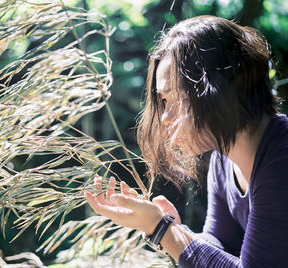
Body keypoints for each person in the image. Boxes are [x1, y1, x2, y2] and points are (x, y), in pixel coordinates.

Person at [85, 15, 288, 267]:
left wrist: (161, 230)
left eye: (173, 99)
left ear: (217, 90)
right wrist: (174, 229)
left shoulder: (281, 161)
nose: (165, 118)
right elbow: (221, 244)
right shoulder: (224, 159)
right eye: (163, 103)